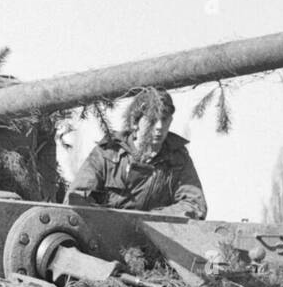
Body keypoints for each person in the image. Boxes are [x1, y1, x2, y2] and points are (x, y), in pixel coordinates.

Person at [67, 90, 207, 217]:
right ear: (135, 122)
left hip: (156, 236)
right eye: (152, 120)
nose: (159, 127)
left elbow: (194, 204)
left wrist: (152, 219)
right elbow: (76, 198)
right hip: (106, 231)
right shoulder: (108, 152)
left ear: (170, 121)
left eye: (164, 119)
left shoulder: (178, 158)